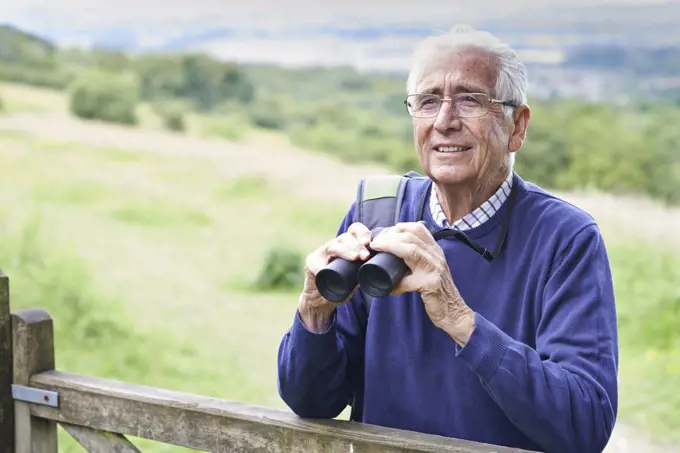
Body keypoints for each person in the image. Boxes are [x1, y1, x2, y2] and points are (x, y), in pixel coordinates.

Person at [277, 25, 619, 453]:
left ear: (518, 126)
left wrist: (462, 322)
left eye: (470, 100)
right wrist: (314, 315)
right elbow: (311, 402)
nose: (444, 121)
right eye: (427, 101)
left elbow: (585, 425)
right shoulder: (376, 213)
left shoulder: (565, 239)